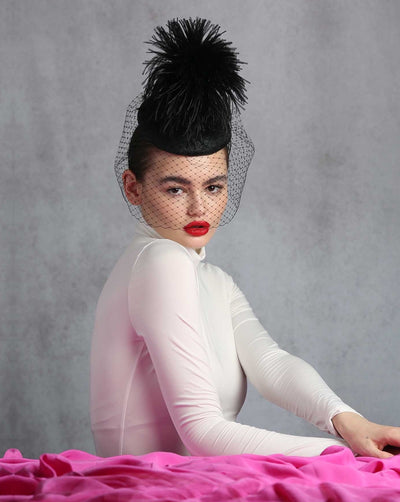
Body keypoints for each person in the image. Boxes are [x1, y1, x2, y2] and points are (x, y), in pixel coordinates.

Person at [90, 17, 400, 458]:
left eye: (213, 186)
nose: (199, 208)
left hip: (204, 482)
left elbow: (272, 365)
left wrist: (350, 422)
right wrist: (342, 456)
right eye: (175, 188)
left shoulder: (213, 280)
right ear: (133, 187)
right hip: (152, 489)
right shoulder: (159, 261)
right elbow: (202, 432)